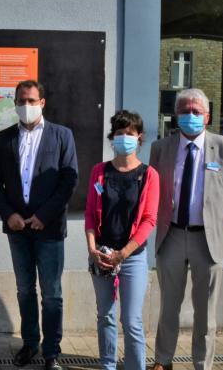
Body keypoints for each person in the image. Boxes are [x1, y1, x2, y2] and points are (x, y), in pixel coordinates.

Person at [149, 88, 223, 370]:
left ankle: (202, 364)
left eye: (196, 111)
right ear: (175, 115)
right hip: (172, 236)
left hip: (207, 240)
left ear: (207, 116)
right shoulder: (160, 148)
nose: (190, 116)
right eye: (185, 111)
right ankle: (163, 361)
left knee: (205, 312)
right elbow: (153, 193)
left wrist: (215, 228)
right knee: (168, 307)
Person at [0, 80, 78, 370]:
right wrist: (8, 214)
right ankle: (30, 344)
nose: (25, 106)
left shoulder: (62, 136)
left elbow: (69, 180)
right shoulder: (4, 138)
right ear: (15, 103)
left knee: (51, 294)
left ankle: (51, 353)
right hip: (17, 228)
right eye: (20, 101)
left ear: (42, 103)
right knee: (25, 290)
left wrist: (44, 215)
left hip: (48, 229)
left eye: (31, 100)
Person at [84, 110, 159, 370]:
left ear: (139, 137)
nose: (124, 137)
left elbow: (149, 220)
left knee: (132, 321)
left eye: (130, 133)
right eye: (119, 133)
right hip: (102, 254)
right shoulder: (99, 172)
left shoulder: (149, 175)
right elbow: (90, 214)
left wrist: (123, 253)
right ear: (112, 137)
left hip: (132, 257)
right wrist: (93, 250)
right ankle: (108, 365)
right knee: (105, 315)